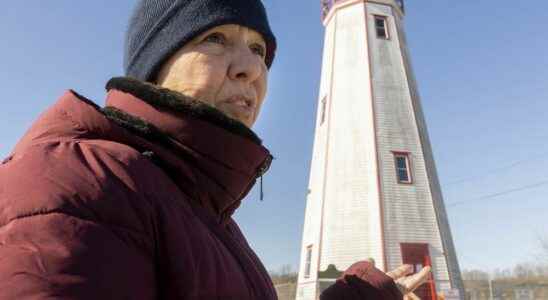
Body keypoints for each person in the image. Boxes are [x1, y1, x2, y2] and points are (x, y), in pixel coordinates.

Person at [0, 0, 431, 299]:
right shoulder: (75, 187)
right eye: (215, 38)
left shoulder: (199, 207)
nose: (251, 68)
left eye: (259, 49)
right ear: (156, 64)